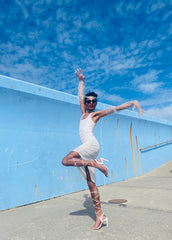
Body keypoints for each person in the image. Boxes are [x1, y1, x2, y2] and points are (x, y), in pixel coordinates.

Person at [62, 69, 143, 230]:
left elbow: (114, 109)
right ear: (86, 102)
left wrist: (133, 102)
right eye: (89, 101)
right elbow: (80, 96)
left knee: (66, 160)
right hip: (89, 149)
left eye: (94, 102)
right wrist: (81, 81)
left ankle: (96, 164)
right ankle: (100, 216)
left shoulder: (95, 115)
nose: (91, 103)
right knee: (91, 184)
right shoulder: (83, 113)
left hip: (91, 145)